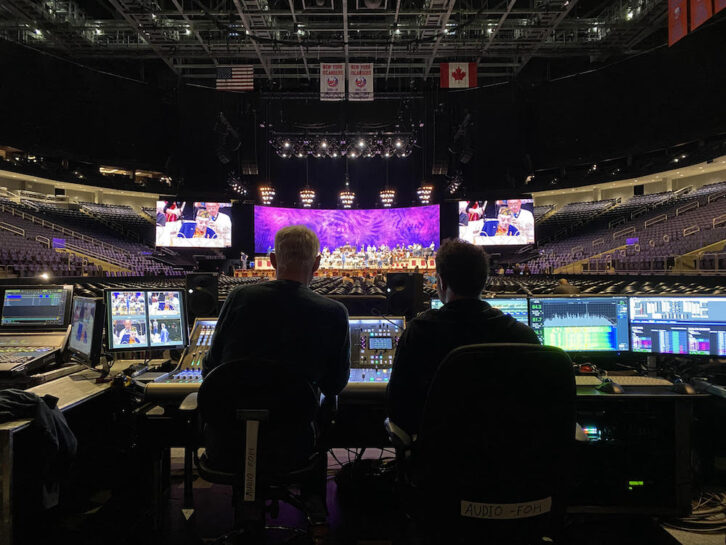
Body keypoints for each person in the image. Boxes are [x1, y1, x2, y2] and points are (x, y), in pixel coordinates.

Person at [202, 225, 350, 468]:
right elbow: (335, 385)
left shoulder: (238, 298)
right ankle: (312, 500)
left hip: (227, 439)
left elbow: (210, 368)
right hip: (294, 444)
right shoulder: (333, 312)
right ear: (317, 264)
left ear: (271, 260)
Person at [387, 239, 539, 437]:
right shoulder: (523, 336)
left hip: (439, 458)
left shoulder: (418, 333)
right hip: (509, 460)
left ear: (440, 282)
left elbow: (397, 407)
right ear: (484, 281)